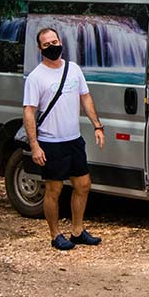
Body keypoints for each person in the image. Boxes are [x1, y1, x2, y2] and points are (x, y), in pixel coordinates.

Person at [23, 27, 106, 250]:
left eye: (55, 42)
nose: (53, 47)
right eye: (47, 45)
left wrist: (97, 125)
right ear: (40, 49)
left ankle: (77, 231)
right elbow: (29, 111)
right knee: (54, 190)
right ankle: (55, 234)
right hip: (51, 143)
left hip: (73, 140)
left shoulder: (74, 70)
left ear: (61, 42)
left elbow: (85, 97)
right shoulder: (36, 77)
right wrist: (35, 145)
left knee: (83, 184)